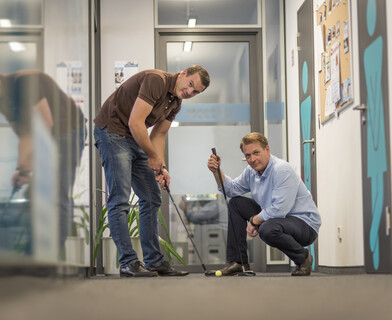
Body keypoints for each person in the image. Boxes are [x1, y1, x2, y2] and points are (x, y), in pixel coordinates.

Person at [94, 65, 210, 277]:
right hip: (111, 130)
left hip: (132, 136)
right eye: (190, 84)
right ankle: (128, 262)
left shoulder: (175, 102)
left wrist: (161, 166)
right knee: (120, 198)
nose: (189, 92)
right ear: (183, 73)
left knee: (151, 196)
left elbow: (158, 135)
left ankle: (154, 261)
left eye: (195, 92)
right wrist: (153, 156)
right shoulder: (156, 80)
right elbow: (136, 122)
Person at [0, 66, 86, 253]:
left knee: (59, 193)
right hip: (49, 136)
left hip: (69, 131)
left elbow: (45, 125)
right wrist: (22, 169)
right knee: (34, 194)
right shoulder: (3, 104)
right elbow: (24, 136)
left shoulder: (23, 83)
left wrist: (31, 165)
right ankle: (32, 253)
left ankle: (49, 258)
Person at [207, 132, 321, 276]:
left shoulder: (281, 170)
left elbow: (280, 209)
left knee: (267, 229)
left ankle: (303, 258)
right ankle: (237, 262)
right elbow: (231, 190)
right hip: (278, 219)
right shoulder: (251, 172)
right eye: (248, 155)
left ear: (267, 149)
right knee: (236, 204)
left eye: (256, 153)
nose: (252, 159)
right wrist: (216, 172)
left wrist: (254, 220)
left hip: (304, 224)